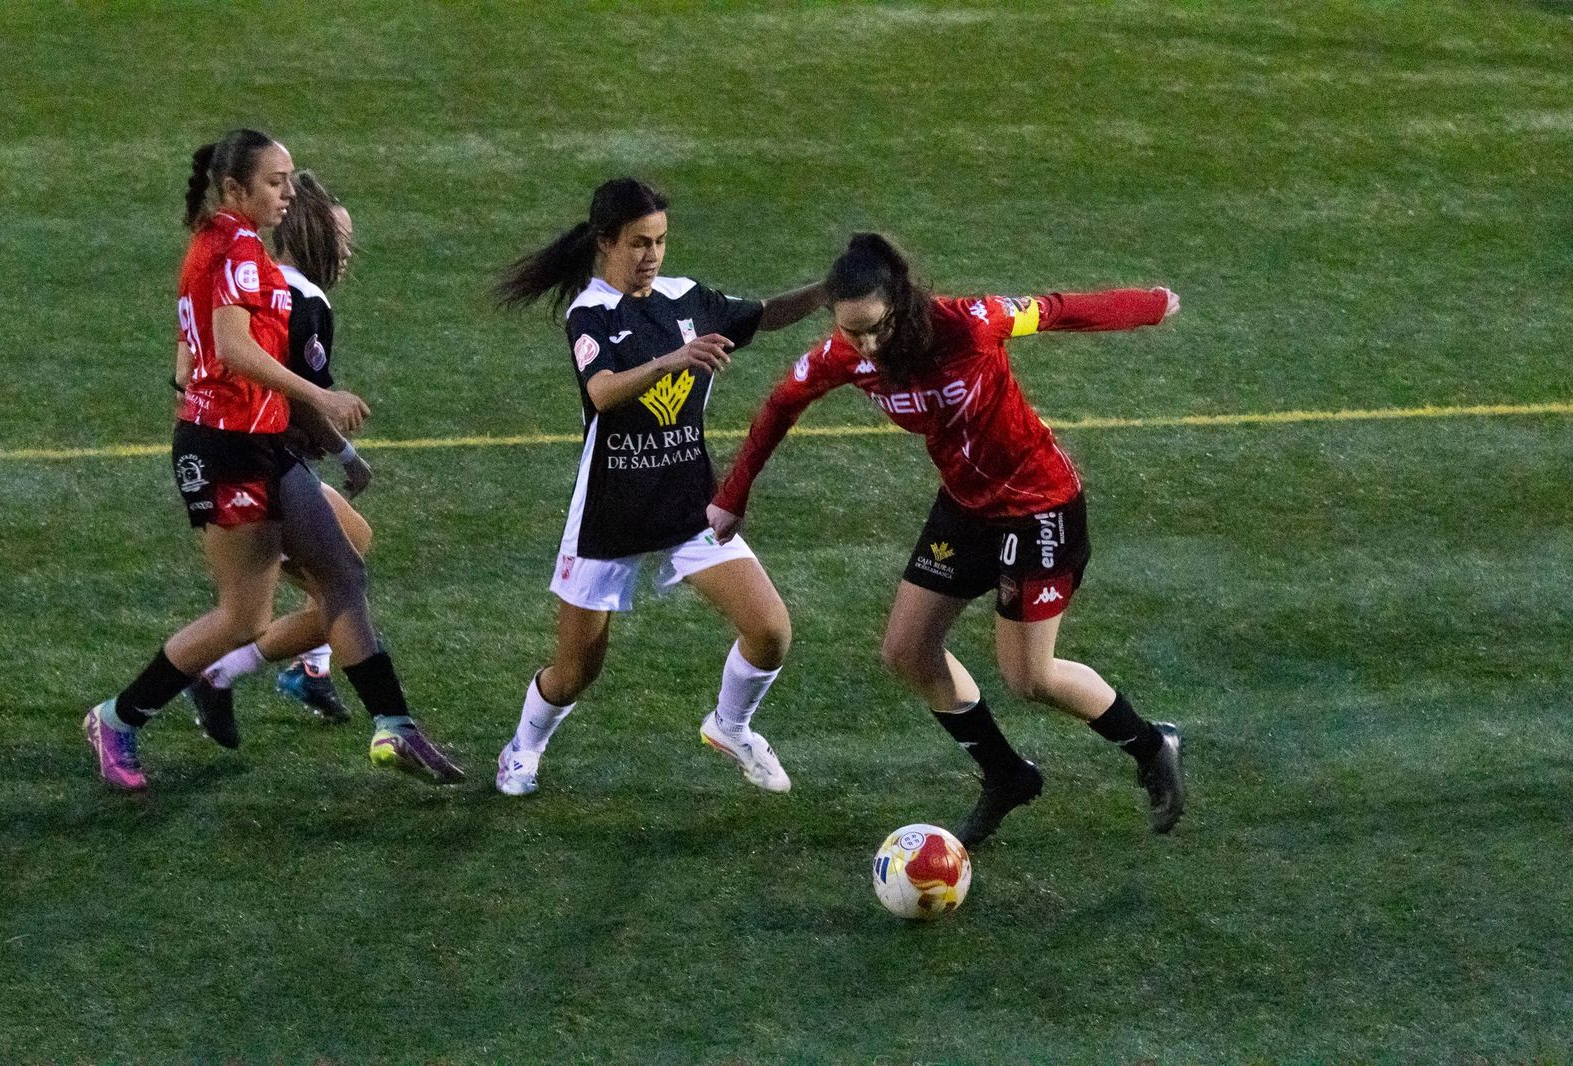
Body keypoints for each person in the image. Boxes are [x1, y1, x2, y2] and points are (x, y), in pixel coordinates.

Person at [709, 233, 1187, 845]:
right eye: (851, 332)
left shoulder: (970, 324)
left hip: (1038, 506)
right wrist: (733, 494)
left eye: (876, 328)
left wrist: (1149, 305)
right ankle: (1006, 775)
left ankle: (1153, 746)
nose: (866, 346)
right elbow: (779, 406)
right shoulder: (845, 355)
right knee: (907, 651)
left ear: (902, 304)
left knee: (1029, 678)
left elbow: (1057, 308)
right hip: (965, 507)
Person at [83, 129, 462, 790]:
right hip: (227, 448)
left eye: (289, 180)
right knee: (243, 617)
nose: (290, 193)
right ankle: (117, 717)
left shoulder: (225, 246)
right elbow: (230, 350)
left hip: (257, 440)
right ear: (235, 189)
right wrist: (318, 395)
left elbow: (189, 359)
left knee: (343, 569)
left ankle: (394, 725)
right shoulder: (234, 249)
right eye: (275, 182)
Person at [491, 176, 826, 798]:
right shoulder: (589, 312)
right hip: (610, 514)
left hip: (689, 505)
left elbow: (761, 314)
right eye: (639, 243)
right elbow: (602, 392)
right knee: (576, 671)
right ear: (605, 244)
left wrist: (826, 291)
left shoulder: (685, 299)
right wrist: (672, 361)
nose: (652, 255)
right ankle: (524, 747)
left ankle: (731, 725)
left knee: (770, 629)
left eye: (660, 241)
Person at [185, 171, 371, 740]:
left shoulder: (259, 283)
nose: (346, 254)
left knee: (351, 553)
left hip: (241, 454)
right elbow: (301, 403)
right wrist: (343, 451)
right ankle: (159, 697)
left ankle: (305, 669)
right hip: (259, 466)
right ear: (313, 239)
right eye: (340, 242)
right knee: (274, 606)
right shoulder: (303, 299)